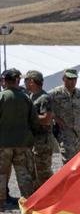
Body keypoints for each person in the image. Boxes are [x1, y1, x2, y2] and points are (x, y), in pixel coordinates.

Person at [0, 69, 41, 206]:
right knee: (24, 173)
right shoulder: (25, 98)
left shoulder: (2, 97)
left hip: (3, 143)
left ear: (4, 81)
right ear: (17, 80)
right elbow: (34, 121)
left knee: (2, 173)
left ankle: (1, 201)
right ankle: (28, 201)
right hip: (23, 143)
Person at [47, 68, 80, 163]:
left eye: (74, 79)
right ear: (64, 79)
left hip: (78, 133)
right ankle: (68, 178)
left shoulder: (79, 94)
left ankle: (77, 178)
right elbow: (44, 107)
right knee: (68, 160)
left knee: (79, 159)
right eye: (69, 79)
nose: (72, 81)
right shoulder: (55, 93)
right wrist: (55, 118)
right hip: (63, 132)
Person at [23, 71, 56, 189]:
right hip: (34, 140)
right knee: (34, 172)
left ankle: (52, 196)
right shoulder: (31, 96)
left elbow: (47, 119)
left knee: (44, 172)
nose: (24, 83)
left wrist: (27, 116)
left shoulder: (44, 98)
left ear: (32, 81)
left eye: (26, 80)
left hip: (43, 142)